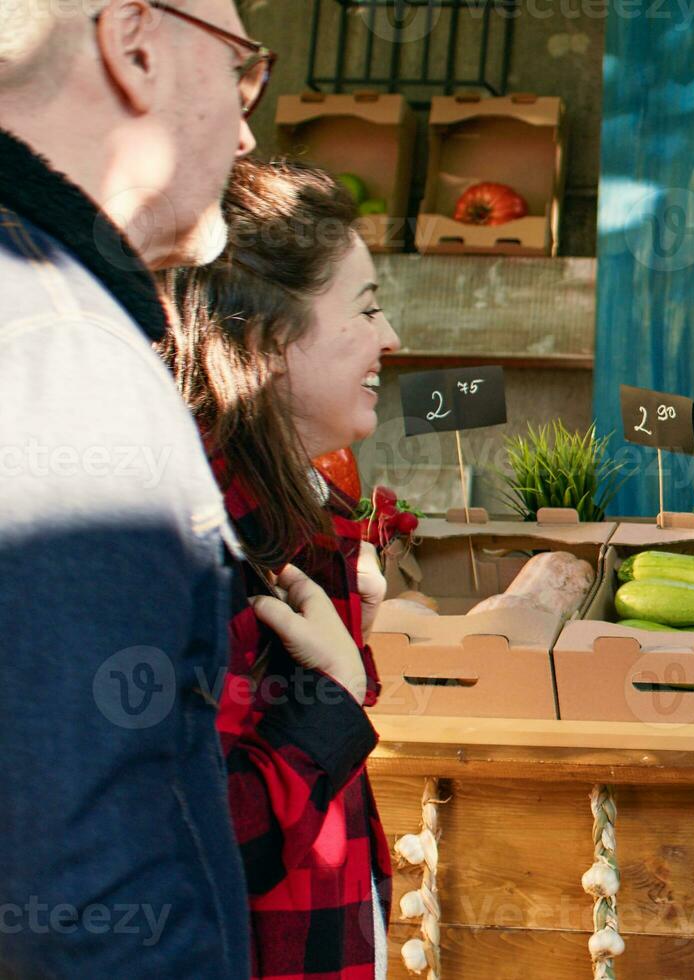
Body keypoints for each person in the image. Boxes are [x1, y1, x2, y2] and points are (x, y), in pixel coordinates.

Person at [0, 1, 266, 973]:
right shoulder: (61, 352)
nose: (246, 128)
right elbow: (81, 897)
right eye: (241, 68)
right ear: (135, 43)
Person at [159, 157, 403, 979]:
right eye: (366, 309)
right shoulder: (204, 532)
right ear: (267, 338)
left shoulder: (288, 498)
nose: (391, 339)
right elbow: (208, 837)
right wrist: (333, 695)